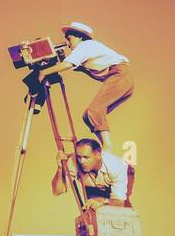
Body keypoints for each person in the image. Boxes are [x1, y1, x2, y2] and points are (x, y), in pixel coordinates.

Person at [37, 22, 134, 153]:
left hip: (120, 75)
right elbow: (75, 66)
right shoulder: (88, 50)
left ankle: (107, 147)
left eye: (69, 38)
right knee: (87, 116)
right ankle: (104, 147)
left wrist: (44, 72)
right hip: (124, 79)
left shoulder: (85, 46)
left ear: (80, 37)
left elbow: (68, 65)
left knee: (94, 110)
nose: (67, 43)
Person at [52, 137, 135, 209]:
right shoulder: (74, 161)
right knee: (92, 208)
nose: (81, 161)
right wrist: (60, 169)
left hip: (124, 174)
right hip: (94, 184)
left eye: (86, 157)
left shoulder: (116, 167)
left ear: (98, 155)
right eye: (79, 157)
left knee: (123, 209)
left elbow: (119, 203)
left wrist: (103, 200)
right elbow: (57, 191)